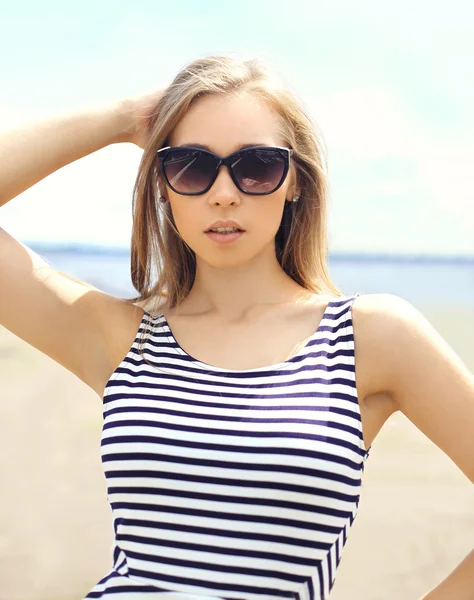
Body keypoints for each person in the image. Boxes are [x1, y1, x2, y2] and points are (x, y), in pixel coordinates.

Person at [0, 54, 473, 600]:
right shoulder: (125, 340)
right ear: (163, 186)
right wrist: (121, 117)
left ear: (295, 181)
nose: (224, 192)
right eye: (191, 166)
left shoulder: (368, 337)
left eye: (257, 166)